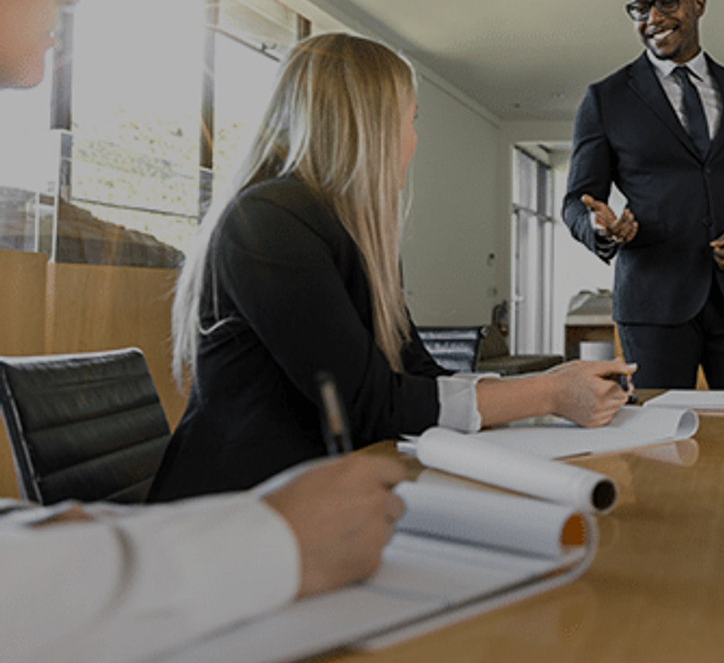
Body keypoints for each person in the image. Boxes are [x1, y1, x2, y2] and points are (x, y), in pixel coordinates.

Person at [0, 0, 407, 660]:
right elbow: (368, 400)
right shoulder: (272, 219)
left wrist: (46, 534)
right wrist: (266, 545)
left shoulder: (338, 231)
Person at [148, 30, 635, 503]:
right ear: (370, 127)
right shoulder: (267, 222)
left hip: (314, 494)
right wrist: (547, 393)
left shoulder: (351, 235)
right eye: (410, 120)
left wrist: (548, 386)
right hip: (235, 511)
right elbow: (370, 405)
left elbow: (415, 372)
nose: (413, 141)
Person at [563, 0, 724, 390]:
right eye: (641, 8)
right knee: (655, 429)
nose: (653, 18)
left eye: (668, 1)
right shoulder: (605, 99)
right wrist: (599, 227)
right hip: (652, 305)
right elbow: (576, 202)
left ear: (698, 4)